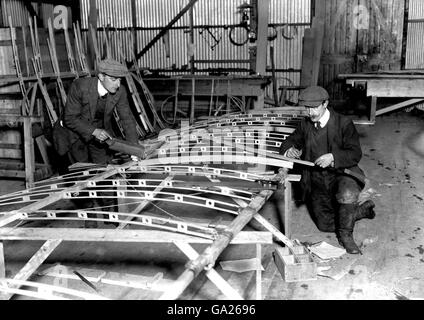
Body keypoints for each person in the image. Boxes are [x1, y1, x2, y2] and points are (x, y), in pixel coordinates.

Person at [279, 86, 375, 254]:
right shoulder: (305, 124)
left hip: (342, 173)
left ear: (325, 104)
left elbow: (355, 153)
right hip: (316, 178)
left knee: (347, 194)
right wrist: (289, 150)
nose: (310, 112)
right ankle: (361, 211)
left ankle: (346, 236)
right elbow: (290, 141)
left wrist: (333, 157)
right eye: (307, 108)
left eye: (314, 107)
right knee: (325, 226)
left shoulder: (343, 123)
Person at [63, 58, 139, 165]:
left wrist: (134, 149)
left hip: (100, 136)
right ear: (101, 76)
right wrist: (94, 131)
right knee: (82, 171)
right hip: (75, 134)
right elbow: (70, 118)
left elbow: (127, 120)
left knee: (104, 168)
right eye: (113, 79)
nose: (118, 85)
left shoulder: (120, 91)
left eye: (120, 80)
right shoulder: (80, 86)